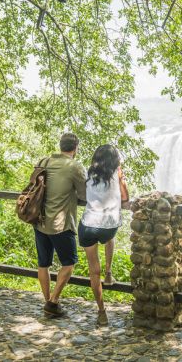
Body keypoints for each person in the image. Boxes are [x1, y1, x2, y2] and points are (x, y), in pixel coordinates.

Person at [35, 132, 87, 317]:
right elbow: (84, 195)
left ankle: (48, 303)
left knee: (43, 264)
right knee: (69, 263)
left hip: (39, 221)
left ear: (60, 146)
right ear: (75, 148)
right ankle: (53, 302)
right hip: (60, 224)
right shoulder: (74, 166)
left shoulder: (44, 161)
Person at [78, 144, 130, 326]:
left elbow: (85, 195)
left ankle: (101, 312)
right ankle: (109, 273)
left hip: (88, 225)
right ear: (114, 160)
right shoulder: (117, 174)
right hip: (109, 226)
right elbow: (125, 199)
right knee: (109, 238)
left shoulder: (89, 173)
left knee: (93, 270)